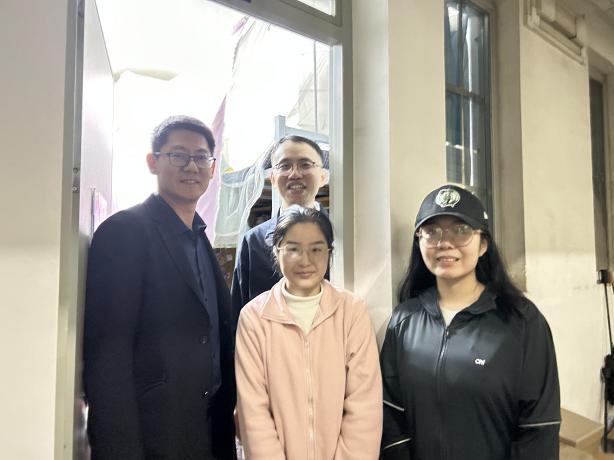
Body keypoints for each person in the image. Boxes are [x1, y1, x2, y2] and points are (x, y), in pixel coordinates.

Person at [83, 115, 236, 459]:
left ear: (213, 168)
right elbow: (107, 356)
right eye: (178, 155)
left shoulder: (200, 240)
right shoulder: (124, 231)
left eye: (201, 157)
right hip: (153, 436)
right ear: (153, 162)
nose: (191, 166)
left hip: (207, 431)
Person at [380, 184, 560, 460]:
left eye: (461, 230)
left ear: (483, 244)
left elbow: (539, 427)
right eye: (432, 232)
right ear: (419, 242)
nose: (444, 243)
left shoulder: (521, 321)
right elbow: (390, 412)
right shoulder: (404, 320)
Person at [235, 206, 382, 460]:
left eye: (316, 249)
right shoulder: (254, 317)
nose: (305, 260)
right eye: (293, 249)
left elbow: (364, 406)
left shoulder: (351, 312)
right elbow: (254, 412)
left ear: (329, 253)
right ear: (276, 251)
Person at [231, 135, 328, 318]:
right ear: (273, 178)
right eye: (285, 166)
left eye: (305, 164)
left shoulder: (341, 236)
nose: (295, 174)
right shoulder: (254, 241)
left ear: (322, 176)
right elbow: (239, 310)